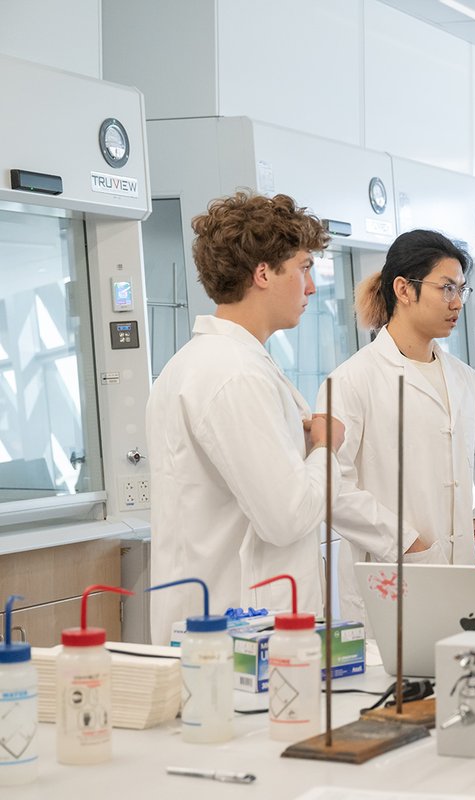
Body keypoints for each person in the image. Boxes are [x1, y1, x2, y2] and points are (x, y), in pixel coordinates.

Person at [147, 192, 344, 645]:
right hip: (236, 639)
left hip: (228, 633)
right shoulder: (233, 375)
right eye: (303, 268)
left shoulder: (210, 363)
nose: (311, 287)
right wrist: (325, 446)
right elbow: (286, 517)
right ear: (262, 274)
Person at [318, 230, 475, 628]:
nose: (457, 303)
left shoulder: (463, 378)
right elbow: (329, 484)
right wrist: (406, 541)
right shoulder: (352, 381)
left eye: (461, 289)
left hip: (457, 571)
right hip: (389, 575)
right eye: (446, 289)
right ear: (403, 290)